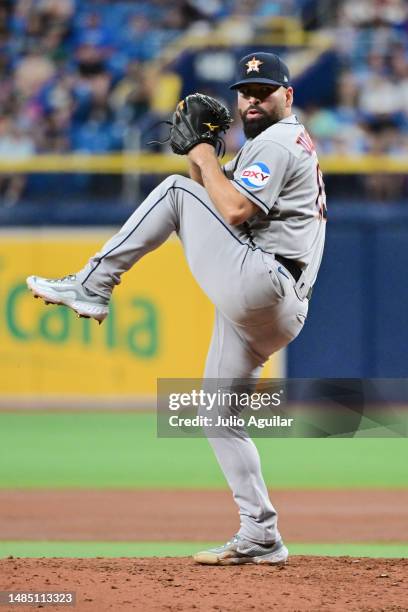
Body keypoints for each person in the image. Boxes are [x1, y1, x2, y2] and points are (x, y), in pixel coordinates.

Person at [27, 52, 326, 566]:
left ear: (288, 96)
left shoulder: (276, 142)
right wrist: (200, 150)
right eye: (246, 92)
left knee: (170, 191)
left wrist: (206, 154)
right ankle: (260, 533)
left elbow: (230, 209)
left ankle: (93, 285)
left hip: (264, 281)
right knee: (217, 413)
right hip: (278, 305)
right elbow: (215, 195)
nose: (253, 99)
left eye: (265, 91)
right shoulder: (270, 145)